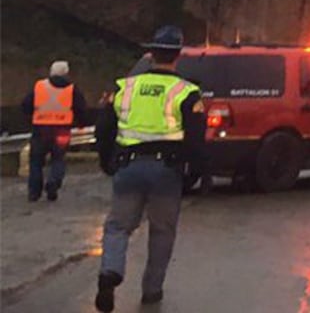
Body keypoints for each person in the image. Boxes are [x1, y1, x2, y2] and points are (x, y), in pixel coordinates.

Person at [93, 26, 205, 312]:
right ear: (178, 55)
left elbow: (104, 126)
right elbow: (195, 137)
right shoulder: (187, 92)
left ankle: (110, 272)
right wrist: (195, 171)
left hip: (128, 168)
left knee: (117, 227)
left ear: (151, 53)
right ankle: (152, 291)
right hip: (166, 172)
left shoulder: (123, 87)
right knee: (162, 232)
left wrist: (106, 160)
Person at [20, 59, 88, 203]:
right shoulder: (72, 89)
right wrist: (81, 124)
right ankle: (53, 182)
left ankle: (34, 193)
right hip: (62, 130)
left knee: (36, 162)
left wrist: (30, 118)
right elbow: (81, 108)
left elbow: (26, 105)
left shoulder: (39, 86)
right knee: (58, 159)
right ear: (66, 73)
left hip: (40, 129)